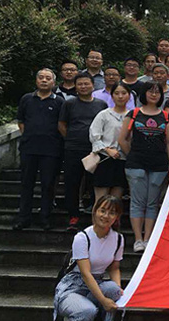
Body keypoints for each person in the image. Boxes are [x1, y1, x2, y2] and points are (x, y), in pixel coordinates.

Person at [118, 81, 169, 253]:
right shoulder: (134, 113)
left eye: (157, 92)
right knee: (137, 201)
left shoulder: (166, 116)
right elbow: (122, 139)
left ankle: (148, 238)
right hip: (136, 163)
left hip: (159, 164)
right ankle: (138, 239)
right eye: (150, 91)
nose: (154, 95)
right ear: (144, 93)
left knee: (152, 202)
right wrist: (132, 155)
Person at [53, 195, 124, 321]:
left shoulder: (118, 239)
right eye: (102, 211)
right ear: (95, 211)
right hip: (73, 287)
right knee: (87, 310)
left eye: (112, 213)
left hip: (97, 283)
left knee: (114, 290)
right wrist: (103, 300)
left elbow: (114, 268)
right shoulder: (82, 238)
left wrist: (119, 291)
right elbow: (86, 274)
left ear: (117, 217)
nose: (106, 216)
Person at [14, 68, 65, 231]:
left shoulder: (59, 101)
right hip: (29, 148)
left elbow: (62, 124)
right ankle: (23, 218)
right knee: (26, 184)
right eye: (41, 77)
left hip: (51, 149)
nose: (44, 80)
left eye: (48, 78)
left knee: (48, 184)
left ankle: (45, 218)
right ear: (36, 81)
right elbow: (21, 121)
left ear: (53, 82)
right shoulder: (27, 99)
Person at [59, 73, 108, 231]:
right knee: (72, 183)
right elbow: (62, 124)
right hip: (73, 149)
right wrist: (71, 139)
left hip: (94, 150)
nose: (83, 86)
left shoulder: (101, 104)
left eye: (86, 83)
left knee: (95, 183)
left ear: (93, 85)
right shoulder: (69, 103)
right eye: (80, 84)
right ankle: (73, 215)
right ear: (75, 86)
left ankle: (94, 214)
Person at [89, 82, 132, 206]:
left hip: (123, 160)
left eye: (123, 93)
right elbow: (94, 136)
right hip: (105, 159)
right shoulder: (104, 114)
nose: (120, 96)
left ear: (129, 96)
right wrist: (107, 150)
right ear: (112, 96)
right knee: (101, 200)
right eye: (116, 93)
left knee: (116, 201)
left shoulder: (132, 116)